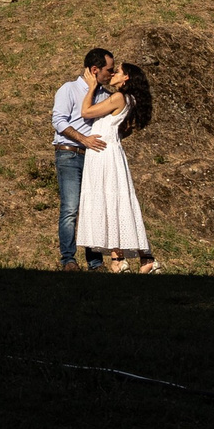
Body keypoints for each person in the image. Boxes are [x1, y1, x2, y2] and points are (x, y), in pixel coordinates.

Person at [76, 60, 158, 273]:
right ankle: (134, 257)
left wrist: (92, 87)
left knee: (109, 200)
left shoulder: (119, 97)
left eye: (118, 72)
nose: (113, 74)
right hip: (108, 150)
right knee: (114, 201)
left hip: (104, 154)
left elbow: (86, 112)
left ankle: (120, 259)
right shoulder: (129, 99)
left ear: (126, 77)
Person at [51, 48, 113, 271]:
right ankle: (68, 260)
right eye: (109, 70)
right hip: (69, 153)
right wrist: (83, 139)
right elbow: (58, 121)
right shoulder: (69, 89)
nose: (111, 74)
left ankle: (95, 262)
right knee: (70, 207)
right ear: (95, 70)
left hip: (93, 156)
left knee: (93, 207)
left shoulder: (105, 95)